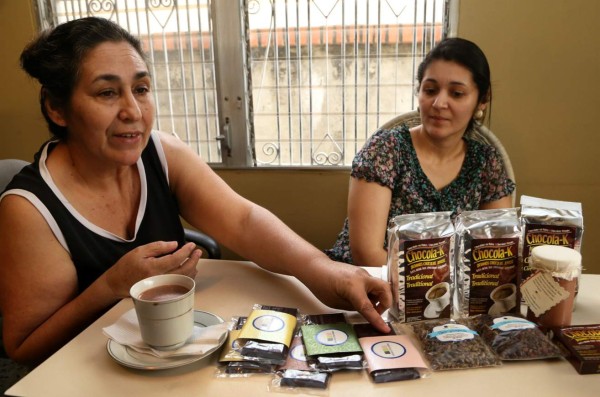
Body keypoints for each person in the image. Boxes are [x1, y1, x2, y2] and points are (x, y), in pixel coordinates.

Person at [0, 17, 391, 367]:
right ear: (57, 108)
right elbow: (25, 347)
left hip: (170, 363)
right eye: (107, 93)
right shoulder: (30, 209)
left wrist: (327, 274)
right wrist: (110, 287)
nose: (133, 111)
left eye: (141, 88)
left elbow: (243, 220)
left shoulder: (159, 152)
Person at [326, 37, 516, 267]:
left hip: (449, 297)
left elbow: (495, 254)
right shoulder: (387, 150)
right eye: (430, 90)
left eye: (456, 93)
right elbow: (367, 255)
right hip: (364, 285)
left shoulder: (486, 164)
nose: (438, 103)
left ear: (481, 100)